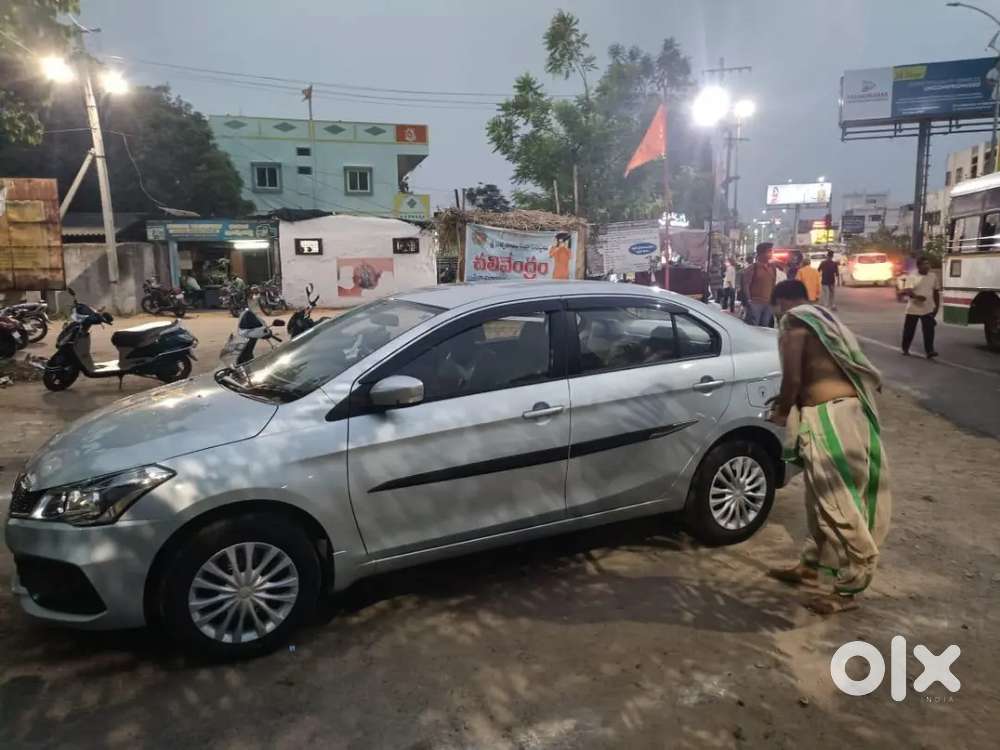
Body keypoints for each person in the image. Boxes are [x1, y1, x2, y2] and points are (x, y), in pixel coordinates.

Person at [767, 280, 892, 614]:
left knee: (838, 503)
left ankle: (852, 584)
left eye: (775, 307)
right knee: (817, 502)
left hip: (830, 420)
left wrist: (781, 412)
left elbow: (792, 378)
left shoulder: (794, 322)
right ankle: (810, 564)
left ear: (781, 302)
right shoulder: (823, 319)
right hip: (846, 415)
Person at [901, 256, 941, 359]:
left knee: (929, 331)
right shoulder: (912, 276)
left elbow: (936, 291)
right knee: (909, 330)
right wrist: (916, 297)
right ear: (919, 266)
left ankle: (930, 351)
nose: (927, 266)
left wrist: (937, 305)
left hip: (927, 308)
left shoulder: (933, 276)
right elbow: (908, 290)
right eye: (924, 264)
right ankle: (905, 348)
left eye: (928, 264)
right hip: (913, 309)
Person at [742, 243, 777, 326]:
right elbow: (746, 285)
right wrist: (749, 301)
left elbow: (773, 284)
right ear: (761, 253)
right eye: (769, 251)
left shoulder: (772, 268)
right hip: (755, 303)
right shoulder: (752, 268)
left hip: (768, 304)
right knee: (753, 328)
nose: (771, 253)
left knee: (764, 328)